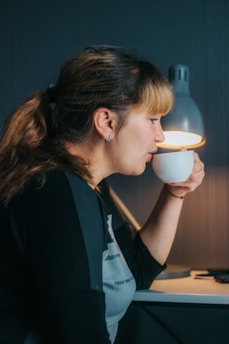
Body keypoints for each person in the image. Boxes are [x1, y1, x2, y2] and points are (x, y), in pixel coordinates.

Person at [0, 45, 205, 344]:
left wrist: (175, 194)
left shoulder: (89, 186)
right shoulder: (56, 193)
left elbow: (136, 271)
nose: (160, 135)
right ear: (106, 122)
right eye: (152, 119)